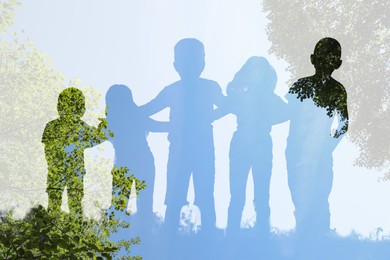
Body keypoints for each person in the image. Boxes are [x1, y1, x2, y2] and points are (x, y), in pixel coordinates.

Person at [140, 38, 224, 234]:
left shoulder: (209, 87)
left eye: (197, 58)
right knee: (176, 197)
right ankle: (172, 239)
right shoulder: (172, 91)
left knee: (204, 196)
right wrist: (171, 126)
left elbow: (226, 106)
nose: (193, 63)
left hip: (202, 150)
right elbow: (147, 110)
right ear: (176, 64)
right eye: (188, 59)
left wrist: (204, 117)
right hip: (180, 151)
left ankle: (207, 239)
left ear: (203, 62)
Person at [217, 57, 288, 237]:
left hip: (261, 142)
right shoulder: (239, 93)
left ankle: (262, 233)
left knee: (261, 194)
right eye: (253, 68)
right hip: (242, 142)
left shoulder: (268, 98)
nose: (255, 72)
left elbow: (286, 113)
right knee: (237, 194)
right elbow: (228, 99)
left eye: (259, 69)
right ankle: (233, 234)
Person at [286, 37, 348, 238]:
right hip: (297, 151)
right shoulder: (300, 86)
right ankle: (306, 237)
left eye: (330, 59)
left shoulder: (336, 90)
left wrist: (328, 146)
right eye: (323, 58)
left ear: (337, 64)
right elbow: (287, 111)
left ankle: (319, 237)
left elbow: (343, 123)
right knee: (300, 194)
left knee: (320, 195)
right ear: (313, 59)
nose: (326, 63)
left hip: (317, 152)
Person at [42, 87, 105, 216]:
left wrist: (102, 130)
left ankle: (68, 228)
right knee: (59, 203)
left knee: (72, 203)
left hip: (68, 171)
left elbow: (96, 137)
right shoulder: (55, 126)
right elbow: (48, 148)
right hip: (63, 171)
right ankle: (57, 228)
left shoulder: (74, 126)